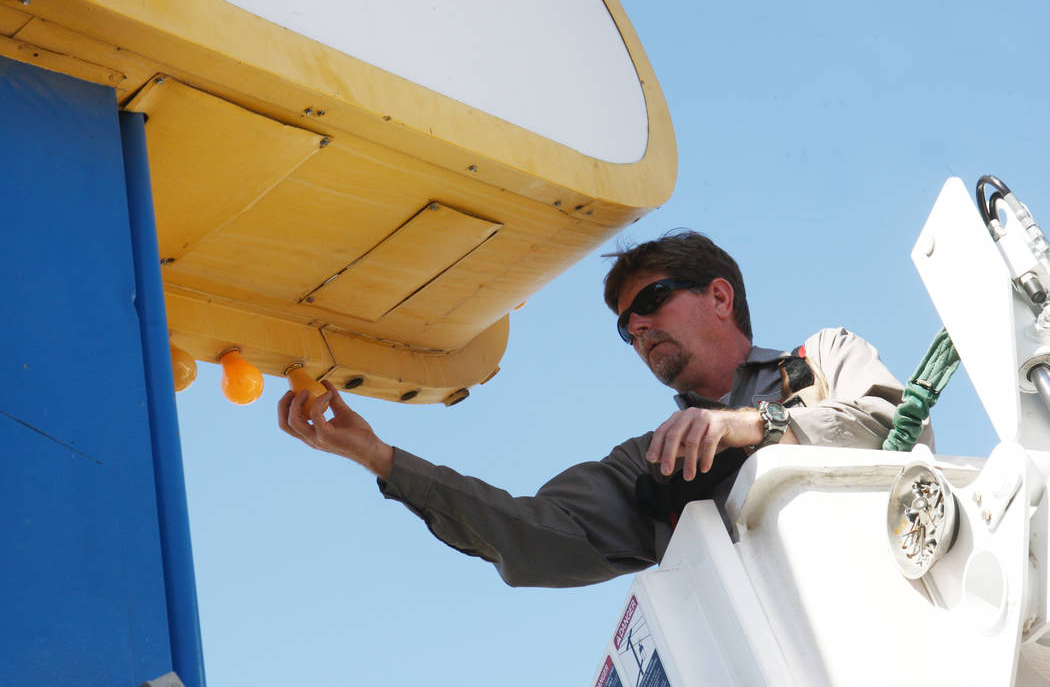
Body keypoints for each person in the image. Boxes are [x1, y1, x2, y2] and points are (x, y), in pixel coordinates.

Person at [278, 231, 926, 588]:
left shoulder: (822, 360)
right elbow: (525, 532)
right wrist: (381, 459)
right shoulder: (652, 469)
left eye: (654, 301)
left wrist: (755, 426)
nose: (638, 328)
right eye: (625, 326)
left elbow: (898, 427)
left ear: (720, 297)